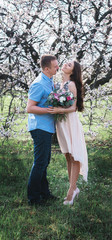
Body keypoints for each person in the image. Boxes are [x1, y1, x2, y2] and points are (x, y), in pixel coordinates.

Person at [48, 60, 88, 205]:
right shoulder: (58, 84)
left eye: (69, 65)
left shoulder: (71, 84)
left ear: (73, 71)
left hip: (70, 122)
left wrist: (59, 110)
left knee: (74, 155)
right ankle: (74, 187)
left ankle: (71, 191)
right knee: (67, 155)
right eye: (65, 63)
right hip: (61, 123)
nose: (65, 65)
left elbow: (73, 107)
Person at [26, 54, 59, 205]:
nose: (58, 68)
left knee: (44, 161)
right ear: (46, 69)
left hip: (47, 127)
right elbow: (30, 108)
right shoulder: (39, 84)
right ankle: (33, 198)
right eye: (55, 66)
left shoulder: (50, 81)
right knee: (40, 162)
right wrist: (49, 110)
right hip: (40, 127)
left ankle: (44, 193)